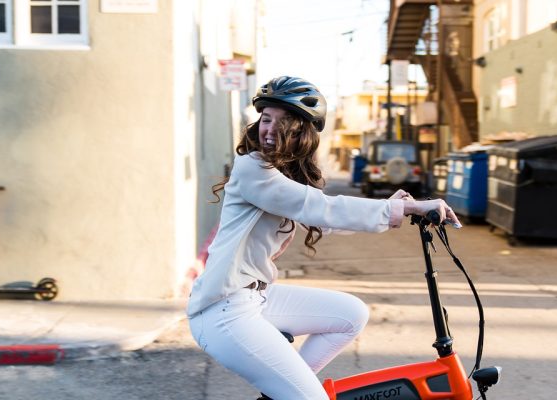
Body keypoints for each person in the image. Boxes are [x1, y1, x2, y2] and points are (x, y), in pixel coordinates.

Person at [187, 76, 460, 399]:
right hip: (224, 312)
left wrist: (393, 209)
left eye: (283, 122)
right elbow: (319, 207)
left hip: (255, 298)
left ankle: (285, 392)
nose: (269, 129)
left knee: (351, 314)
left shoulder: (279, 174)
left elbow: (325, 221)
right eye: (266, 118)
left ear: (302, 132)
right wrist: (403, 208)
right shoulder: (252, 168)